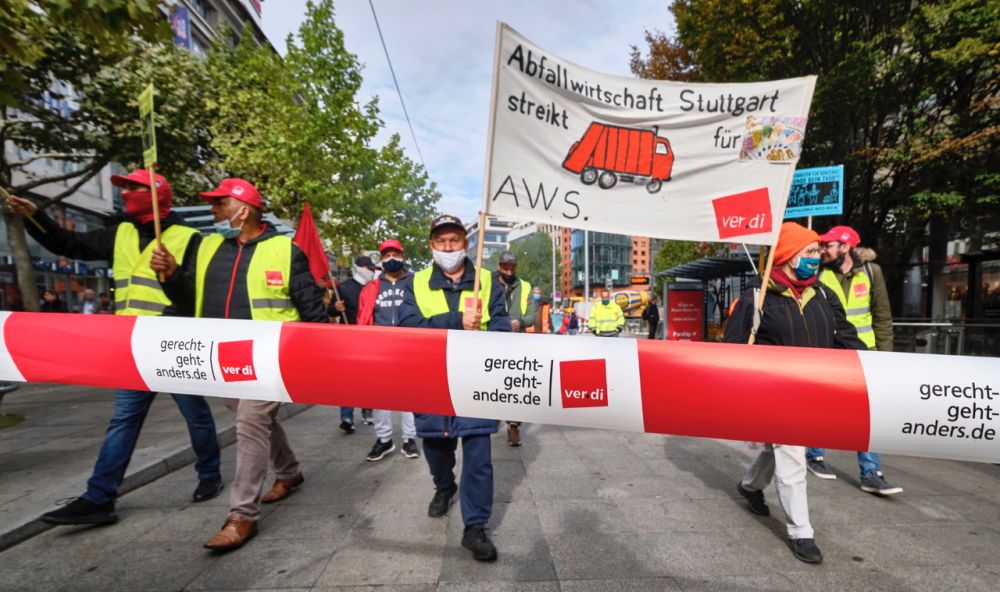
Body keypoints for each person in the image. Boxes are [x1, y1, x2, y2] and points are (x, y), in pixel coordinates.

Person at [7, 170, 223, 526]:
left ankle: (209, 475)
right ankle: (99, 497)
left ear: (157, 195)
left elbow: (196, 298)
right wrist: (34, 215)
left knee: (195, 413)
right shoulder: (118, 232)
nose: (126, 194)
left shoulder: (192, 239)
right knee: (124, 419)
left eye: (135, 188)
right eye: (124, 188)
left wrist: (173, 276)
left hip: (171, 342)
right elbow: (67, 243)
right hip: (132, 346)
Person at [152, 177, 327, 551]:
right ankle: (290, 472)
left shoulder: (285, 249)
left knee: (250, 422)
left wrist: (318, 356)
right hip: (219, 356)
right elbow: (186, 300)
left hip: (270, 357)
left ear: (243, 209)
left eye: (220, 204)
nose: (213, 211)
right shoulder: (206, 247)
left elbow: (311, 307)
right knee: (258, 421)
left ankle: (241, 515)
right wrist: (170, 276)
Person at [725, 221, 865, 565]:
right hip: (776, 394)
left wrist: (870, 369)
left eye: (817, 251)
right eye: (810, 251)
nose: (816, 258)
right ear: (787, 256)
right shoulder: (757, 297)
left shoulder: (823, 294)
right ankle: (801, 531)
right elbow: (732, 350)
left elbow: (843, 335)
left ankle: (750, 485)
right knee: (792, 458)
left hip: (815, 391)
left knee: (786, 449)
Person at [398, 214, 510, 562]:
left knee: (478, 455)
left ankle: (475, 526)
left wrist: (494, 347)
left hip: (476, 378)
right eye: (441, 242)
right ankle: (444, 486)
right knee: (435, 446)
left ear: (466, 244)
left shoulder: (488, 281)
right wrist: (454, 323)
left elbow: (502, 324)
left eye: (455, 241)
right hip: (431, 378)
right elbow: (408, 326)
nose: (449, 248)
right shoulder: (413, 283)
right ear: (431, 246)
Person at [806, 225, 902, 495]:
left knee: (870, 413)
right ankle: (815, 455)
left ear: (845, 247)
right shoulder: (819, 273)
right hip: (831, 350)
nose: (824, 250)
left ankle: (871, 472)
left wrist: (885, 358)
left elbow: (882, 317)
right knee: (823, 405)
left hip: (865, 353)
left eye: (829, 245)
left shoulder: (872, 272)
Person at [356, 238, 420, 461]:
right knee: (381, 397)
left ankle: (409, 439)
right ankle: (384, 440)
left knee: (409, 396)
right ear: (381, 259)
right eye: (387, 255)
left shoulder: (415, 283)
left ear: (402, 256)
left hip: (409, 347)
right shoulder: (371, 288)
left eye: (395, 254)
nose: (391, 259)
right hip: (380, 349)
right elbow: (363, 317)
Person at [493, 250, 536, 447]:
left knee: (514, 385)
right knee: (492, 383)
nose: (508, 271)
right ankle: (491, 417)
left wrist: (520, 321)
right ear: (499, 265)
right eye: (505, 267)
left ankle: (513, 425)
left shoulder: (525, 286)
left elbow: (532, 316)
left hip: (516, 341)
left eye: (512, 267)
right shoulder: (488, 282)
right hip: (492, 340)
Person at [332, 255, 378, 433]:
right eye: (368, 268)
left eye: (373, 268)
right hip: (348, 339)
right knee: (347, 380)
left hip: (369, 338)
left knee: (368, 378)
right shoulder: (343, 288)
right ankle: (346, 416)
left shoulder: (374, 288)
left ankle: (368, 410)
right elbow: (329, 310)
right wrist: (336, 308)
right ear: (358, 267)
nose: (371, 271)